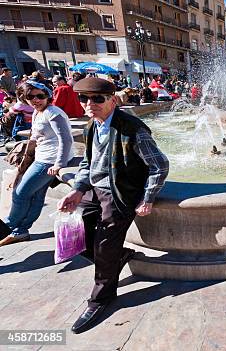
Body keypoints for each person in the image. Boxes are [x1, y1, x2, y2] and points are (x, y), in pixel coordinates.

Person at [57, 77, 169, 334]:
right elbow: (88, 163)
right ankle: (119, 256)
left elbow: (159, 165)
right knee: (74, 234)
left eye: (97, 99)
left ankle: (100, 299)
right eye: (83, 99)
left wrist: (148, 197)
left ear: (112, 100)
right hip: (94, 190)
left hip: (119, 194)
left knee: (104, 246)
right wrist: (77, 190)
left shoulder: (132, 129)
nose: (89, 104)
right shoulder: (91, 126)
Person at [0, 81, 74, 246]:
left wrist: (58, 164)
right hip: (42, 157)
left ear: (47, 95)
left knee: (20, 194)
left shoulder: (52, 113)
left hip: (49, 161)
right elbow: (35, 137)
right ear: (24, 98)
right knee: (36, 196)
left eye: (40, 96)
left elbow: (66, 139)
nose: (36, 100)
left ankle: (8, 227)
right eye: (30, 96)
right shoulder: (38, 112)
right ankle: (20, 231)